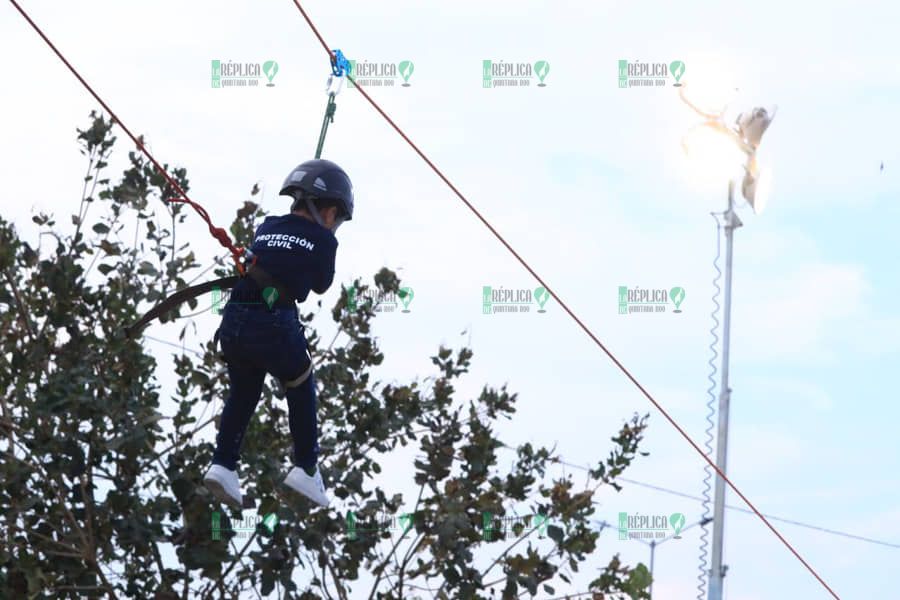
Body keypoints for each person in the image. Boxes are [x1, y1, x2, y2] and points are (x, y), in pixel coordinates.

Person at [202, 158, 354, 510]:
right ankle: (306, 466)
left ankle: (223, 464)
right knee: (299, 381)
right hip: (274, 323)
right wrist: (313, 245)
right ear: (329, 211)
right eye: (338, 218)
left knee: (244, 388)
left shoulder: (267, 226)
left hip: (234, 322)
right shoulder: (324, 241)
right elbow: (320, 286)